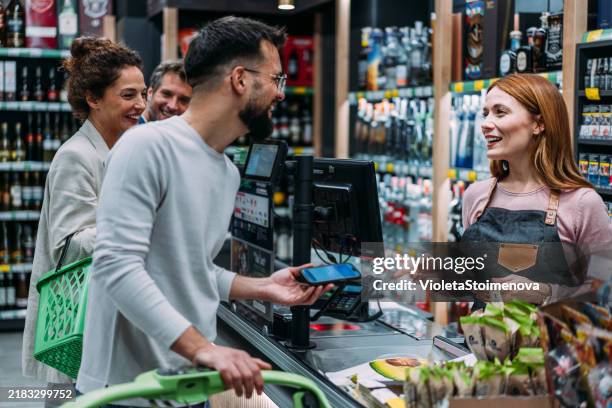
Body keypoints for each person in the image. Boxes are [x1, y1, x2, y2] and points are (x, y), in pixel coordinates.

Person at [76, 16, 332, 405]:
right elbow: (117, 265)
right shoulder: (147, 146)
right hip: (127, 390)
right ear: (240, 79)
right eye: (276, 79)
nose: (281, 94)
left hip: (186, 385)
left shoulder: (226, 172)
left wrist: (264, 287)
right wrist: (205, 349)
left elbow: (187, 270)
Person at [22, 37, 146, 384]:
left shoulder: (118, 148)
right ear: (93, 99)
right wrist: (143, 226)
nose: (140, 104)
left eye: (143, 93)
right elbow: (71, 242)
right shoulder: (78, 156)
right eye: (128, 95)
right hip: (75, 319)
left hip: (101, 315)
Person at [461, 73, 612, 305]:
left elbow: (604, 289)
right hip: (482, 340)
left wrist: (544, 292)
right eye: (486, 113)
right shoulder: (476, 196)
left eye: (500, 112)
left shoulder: (581, 203)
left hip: (553, 341)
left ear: (539, 124)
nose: (485, 124)